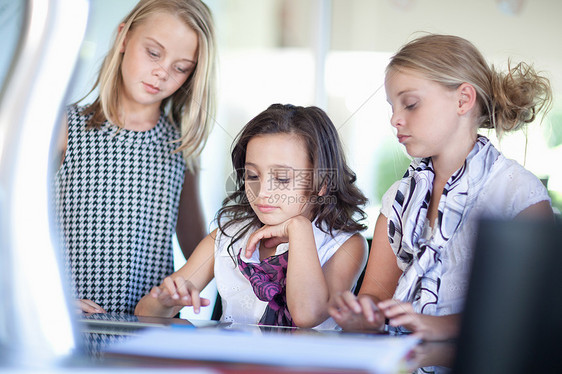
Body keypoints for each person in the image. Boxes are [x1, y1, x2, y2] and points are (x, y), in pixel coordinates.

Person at [329, 34, 553, 341]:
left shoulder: (518, 195)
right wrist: (362, 313)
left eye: (410, 104)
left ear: (463, 100)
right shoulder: (397, 198)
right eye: (392, 106)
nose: (395, 118)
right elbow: (377, 297)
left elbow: (529, 312)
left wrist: (438, 326)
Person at [135, 104, 369, 329]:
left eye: (282, 179)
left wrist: (299, 229)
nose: (262, 192)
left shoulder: (346, 245)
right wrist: (164, 302)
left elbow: (307, 315)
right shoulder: (226, 237)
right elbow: (145, 312)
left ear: (322, 185)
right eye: (252, 175)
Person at [54, 0, 217, 315]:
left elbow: (198, 250)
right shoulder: (64, 127)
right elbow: (16, 224)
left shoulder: (181, 148)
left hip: (145, 337)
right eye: (154, 53)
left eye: (181, 67)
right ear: (124, 38)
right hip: (69, 327)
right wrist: (48, 299)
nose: (162, 72)